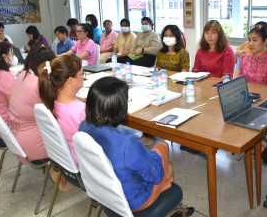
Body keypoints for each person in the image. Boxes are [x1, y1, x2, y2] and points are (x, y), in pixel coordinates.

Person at [79, 77, 194, 216]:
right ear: (119, 108)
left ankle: (175, 209)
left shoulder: (83, 127)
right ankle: (174, 208)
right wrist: (158, 151)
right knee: (164, 151)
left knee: (163, 165)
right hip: (134, 201)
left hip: (104, 193)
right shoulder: (127, 142)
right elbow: (156, 176)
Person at [39, 55, 85, 191]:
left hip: (66, 163)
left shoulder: (51, 102)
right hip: (83, 166)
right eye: (82, 74)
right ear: (70, 80)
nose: (83, 77)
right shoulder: (80, 111)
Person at [8, 43, 55, 162]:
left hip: (18, 139)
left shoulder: (23, 74)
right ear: (46, 66)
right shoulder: (38, 84)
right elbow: (55, 113)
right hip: (35, 145)